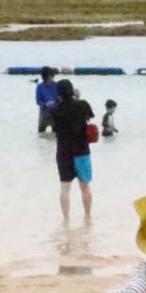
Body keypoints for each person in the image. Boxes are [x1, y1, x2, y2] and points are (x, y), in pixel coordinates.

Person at [50, 79, 95, 222]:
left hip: (64, 152)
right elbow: (88, 118)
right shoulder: (83, 104)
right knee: (85, 187)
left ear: (58, 93)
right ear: (72, 90)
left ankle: (66, 220)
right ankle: (87, 217)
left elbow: (55, 129)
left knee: (65, 189)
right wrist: (78, 98)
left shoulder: (55, 110)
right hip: (82, 151)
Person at [35, 67, 60, 134]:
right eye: (50, 76)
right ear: (44, 77)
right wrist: (45, 104)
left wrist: (54, 103)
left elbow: (60, 99)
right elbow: (38, 100)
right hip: (44, 112)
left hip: (55, 112)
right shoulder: (40, 86)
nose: (52, 78)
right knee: (41, 132)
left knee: (56, 132)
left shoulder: (56, 85)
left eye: (52, 76)